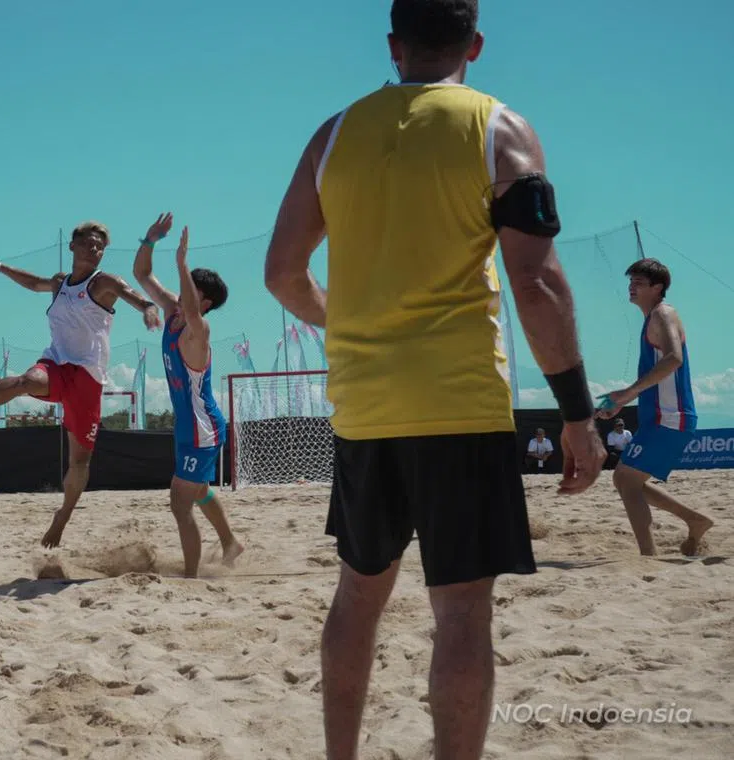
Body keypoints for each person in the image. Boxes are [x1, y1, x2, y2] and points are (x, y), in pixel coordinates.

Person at [262, 2, 606, 758]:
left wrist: (346, 326)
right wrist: (577, 412)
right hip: (458, 405)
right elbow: (537, 281)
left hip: (363, 408)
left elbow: (282, 274)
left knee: (357, 599)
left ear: (393, 45)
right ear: (475, 44)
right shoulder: (497, 128)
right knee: (460, 614)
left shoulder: (334, 135)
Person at [0, 220, 163, 548]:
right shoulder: (59, 283)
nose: (95, 250)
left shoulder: (104, 282)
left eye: (100, 246)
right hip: (55, 364)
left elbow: (132, 295)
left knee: (79, 462)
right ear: (73, 246)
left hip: (87, 378)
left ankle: (63, 517)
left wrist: (149, 308)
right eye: (89, 243)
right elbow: (33, 283)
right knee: (26, 380)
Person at [132, 214, 244, 577]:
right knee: (197, 492)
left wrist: (181, 263)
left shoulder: (200, 329)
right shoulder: (172, 311)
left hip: (202, 428)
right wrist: (149, 240)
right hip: (189, 425)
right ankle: (230, 542)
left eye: (190, 285)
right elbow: (142, 276)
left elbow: (193, 314)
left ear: (205, 302)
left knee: (179, 503)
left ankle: (191, 577)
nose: (181, 289)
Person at [596, 258, 714, 556]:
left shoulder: (664, 313)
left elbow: (674, 359)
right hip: (658, 417)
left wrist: (627, 392)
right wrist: (623, 400)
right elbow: (660, 375)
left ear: (657, 287)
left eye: (638, 283)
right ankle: (694, 519)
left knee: (626, 480)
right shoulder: (653, 319)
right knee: (625, 480)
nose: (631, 287)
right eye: (630, 282)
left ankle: (649, 556)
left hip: (672, 418)